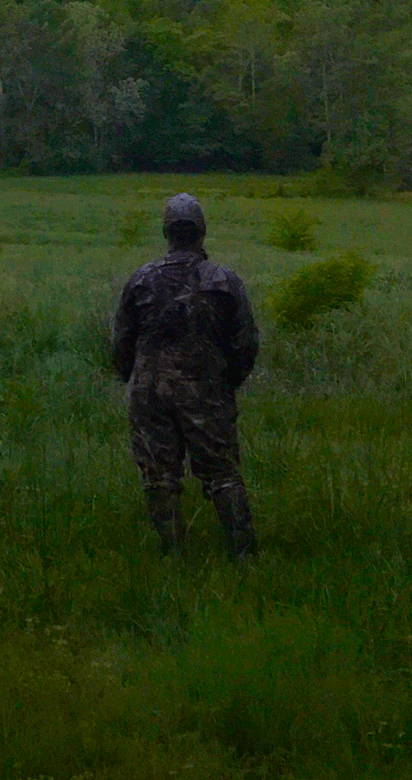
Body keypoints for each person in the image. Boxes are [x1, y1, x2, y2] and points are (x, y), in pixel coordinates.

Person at [111, 193, 261, 559]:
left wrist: (132, 377)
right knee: (222, 474)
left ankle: (172, 556)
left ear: (167, 232)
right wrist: (226, 383)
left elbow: (121, 345)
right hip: (206, 392)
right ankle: (244, 558)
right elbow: (246, 343)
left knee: (159, 477)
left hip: (149, 392)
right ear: (201, 232)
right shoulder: (224, 280)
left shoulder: (141, 279)